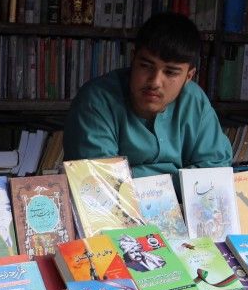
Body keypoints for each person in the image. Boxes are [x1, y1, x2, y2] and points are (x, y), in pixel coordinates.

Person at [63, 12, 233, 177]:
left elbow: (217, 170)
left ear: (188, 76)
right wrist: (181, 178)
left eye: (171, 72)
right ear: (133, 59)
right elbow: (102, 184)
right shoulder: (96, 101)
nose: (155, 82)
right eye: (146, 66)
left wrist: (132, 175)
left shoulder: (195, 100)